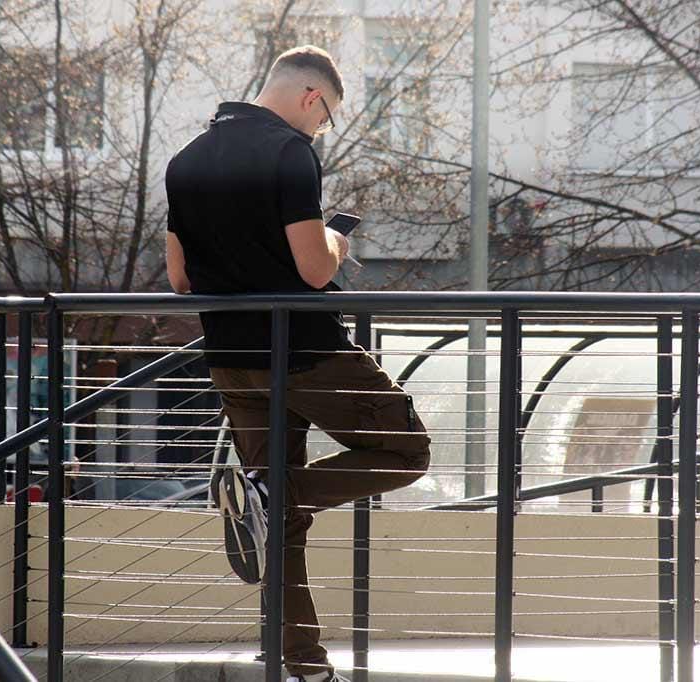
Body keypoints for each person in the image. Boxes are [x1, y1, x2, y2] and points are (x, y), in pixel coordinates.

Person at [164, 45, 431, 682]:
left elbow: (179, 278)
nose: (321, 128)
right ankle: (269, 495)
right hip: (307, 353)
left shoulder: (185, 160)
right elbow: (313, 269)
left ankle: (305, 665)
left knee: (278, 525)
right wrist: (336, 237)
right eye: (326, 116)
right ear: (312, 96)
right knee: (407, 452)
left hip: (230, 359)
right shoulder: (290, 153)